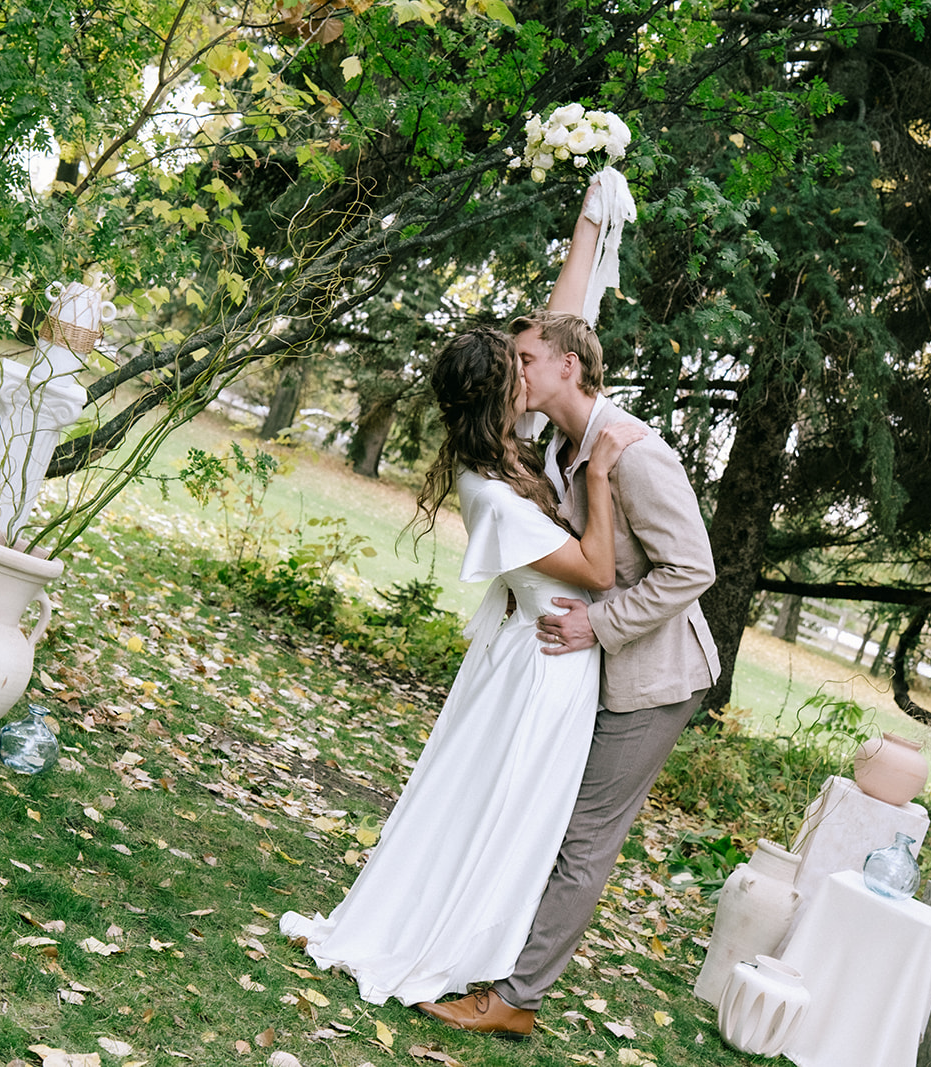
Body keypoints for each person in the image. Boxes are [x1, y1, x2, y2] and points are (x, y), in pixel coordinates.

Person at [419, 188, 721, 1037]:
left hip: (653, 677)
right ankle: (492, 957)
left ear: (566, 369)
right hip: (584, 668)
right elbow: (564, 311)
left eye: (523, 358)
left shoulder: (634, 454)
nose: (514, 368)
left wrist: (602, 623)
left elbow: (693, 568)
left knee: (583, 839)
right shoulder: (557, 442)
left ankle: (515, 1000)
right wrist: (589, 220)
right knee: (548, 821)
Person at [278, 326, 646, 1007]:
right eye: (519, 369)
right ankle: (450, 936)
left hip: (551, 656)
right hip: (544, 667)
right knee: (501, 804)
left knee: (508, 806)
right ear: (503, 392)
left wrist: (593, 225)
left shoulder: (510, 453)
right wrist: (598, 470)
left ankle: (476, 930)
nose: (530, 377)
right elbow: (596, 568)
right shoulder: (493, 492)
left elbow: (564, 325)